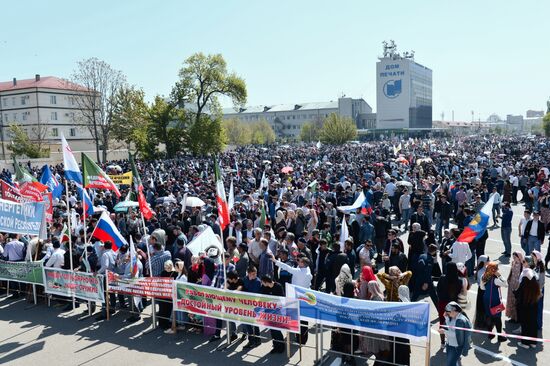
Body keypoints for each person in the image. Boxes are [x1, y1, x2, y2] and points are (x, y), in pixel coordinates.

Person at [436, 262, 463, 348]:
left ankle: (442, 342)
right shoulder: (459, 280)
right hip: (453, 305)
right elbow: (459, 292)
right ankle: (453, 341)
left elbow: (438, 290)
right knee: (453, 323)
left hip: (443, 303)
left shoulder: (442, 278)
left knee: (442, 322)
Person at [480, 261, 507, 342]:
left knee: (488, 315)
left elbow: (482, 288)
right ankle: (499, 336)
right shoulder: (496, 280)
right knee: (497, 318)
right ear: (494, 270)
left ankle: (490, 333)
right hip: (494, 300)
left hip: (486, 299)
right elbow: (506, 284)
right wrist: (499, 275)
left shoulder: (483, 276)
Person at [439, 302, 472, 366]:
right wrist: (447, 318)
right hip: (450, 344)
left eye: (448, 313)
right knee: (452, 363)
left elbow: (457, 335)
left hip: (455, 347)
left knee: (450, 364)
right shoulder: (454, 317)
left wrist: (444, 332)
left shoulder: (460, 321)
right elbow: (450, 328)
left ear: (453, 311)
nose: (448, 314)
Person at [514, 268, 541, 349]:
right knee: (533, 324)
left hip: (524, 308)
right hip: (534, 307)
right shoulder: (535, 283)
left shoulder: (523, 283)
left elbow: (517, 294)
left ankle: (525, 343)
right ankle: (533, 342)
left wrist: (514, 291)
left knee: (525, 325)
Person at [260, 275, 286, 354]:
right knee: (272, 331)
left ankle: (281, 346)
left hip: (277, 312)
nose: (262, 283)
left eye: (262, 282)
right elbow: (262, 298)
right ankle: (275, 346)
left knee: (277, 331)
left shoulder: (278, 286)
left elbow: (281, 299)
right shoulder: (264, 287)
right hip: (268, 311)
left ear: (266, 282)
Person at [242, 265, 262, 348]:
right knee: (248, 323)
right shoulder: (245, 279)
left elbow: (253, 293)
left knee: (255, 323)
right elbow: (243, 288)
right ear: (248, 273)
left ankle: (257, 339)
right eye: (253, 274)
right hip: (246, 304)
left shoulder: (257, 281)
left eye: (255, 273)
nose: (255, 275)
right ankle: (251, 340)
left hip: (255, 305)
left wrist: (250, 281)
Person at [505, 251, 523, 323]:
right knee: (511, 301)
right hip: (511, 284)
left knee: (516, 302)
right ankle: (512, 317)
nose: (514, 258)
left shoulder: (522, 265)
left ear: (519, 257)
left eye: (515, 257)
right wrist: (508, 279)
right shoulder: (513, 263)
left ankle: (517, 318)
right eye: (513, 257)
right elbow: (511, 272)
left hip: (518, 285)